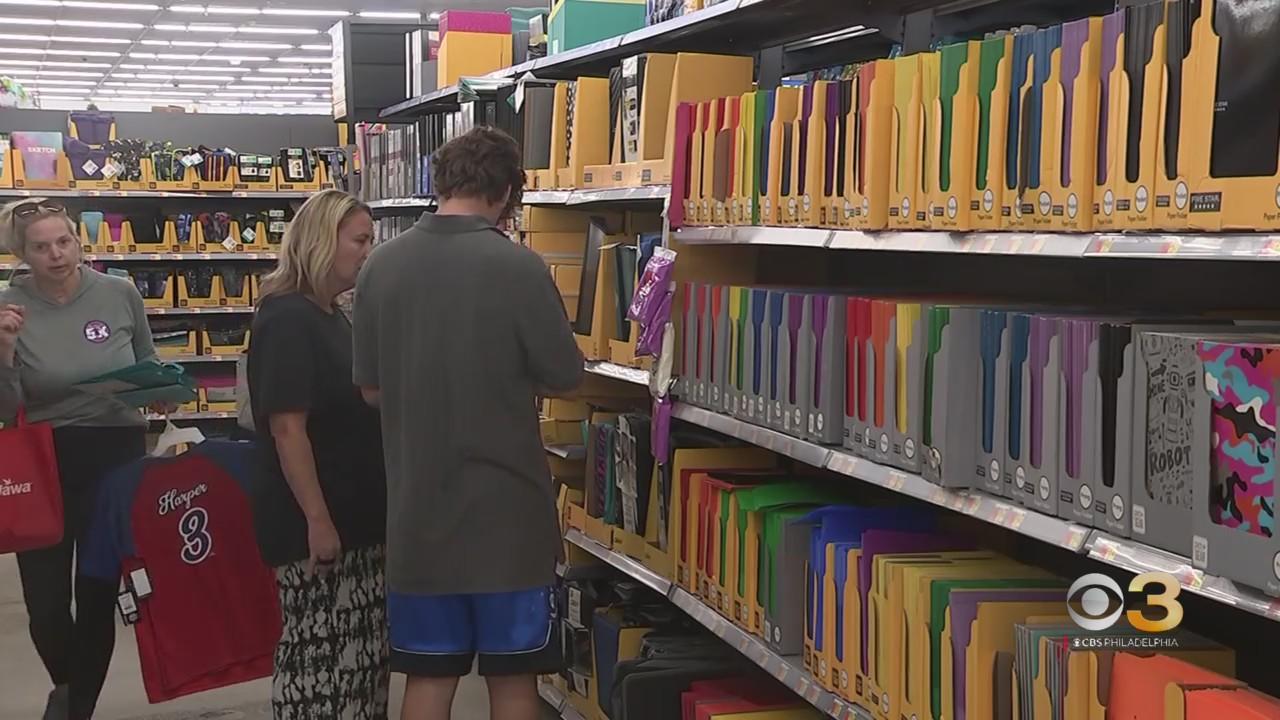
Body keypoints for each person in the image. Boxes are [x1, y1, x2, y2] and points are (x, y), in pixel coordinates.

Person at [353, 126, 584, 720]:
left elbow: (371, 389)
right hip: (509, 522)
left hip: (418, 520)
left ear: (440, 182)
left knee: (428, 679)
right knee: (513, 681)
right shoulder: (520, 268)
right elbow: (565, 376)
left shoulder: (380, 266)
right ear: (506, 192)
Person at [0, 198, 156, 720]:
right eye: (41, 247)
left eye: (64, 241)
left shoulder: (119, 293)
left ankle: (75, 707)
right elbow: (4, 409)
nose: (57, 255)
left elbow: (147, 361)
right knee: (45, 605)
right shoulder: (8, 308)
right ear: (22, 254)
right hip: (42, 459)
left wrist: (160, 391)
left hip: (114, 452)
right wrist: (4, 352)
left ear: (77, 240)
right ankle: (69, 686)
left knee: (97, 591)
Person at [246, 189, 389, 719]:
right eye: (359, 240)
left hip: (358, 524)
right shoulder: (287, 318)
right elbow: (287, 429)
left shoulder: (331, 314)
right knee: (319, 672)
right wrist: (318, 520)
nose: (368, 251)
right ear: (321, 240)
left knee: (359, 670)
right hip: (317, 529)